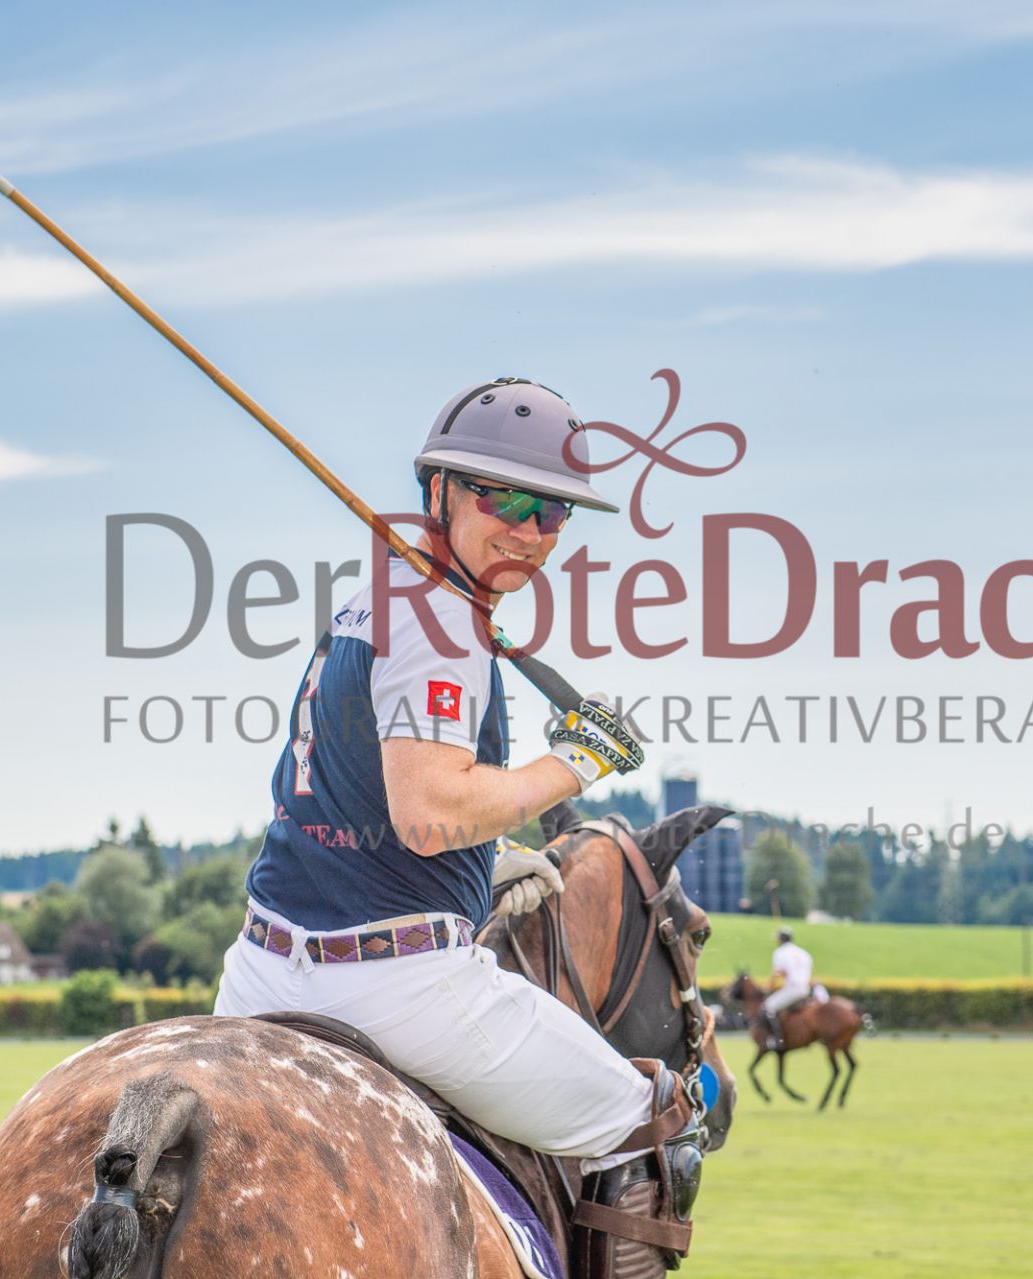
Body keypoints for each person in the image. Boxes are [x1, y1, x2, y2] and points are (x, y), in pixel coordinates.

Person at [212, 377, 703, 1271]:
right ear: (437, 491)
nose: (531, 529)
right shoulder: (442, 621)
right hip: (396, 986)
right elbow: (432, 812)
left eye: (553, 511)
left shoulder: (382, 599)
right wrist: (575, 763)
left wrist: (487, 858)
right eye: (504, 498)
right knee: (655, 1116)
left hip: (257, 979)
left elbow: (360, 796)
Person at [763, 926, 813, 1041]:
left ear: (781, 939)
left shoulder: (779, 952)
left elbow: (778, 973)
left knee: (768, 1007)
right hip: (806, 989)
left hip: (793, 989)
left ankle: (776, 1038)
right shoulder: (803, 953)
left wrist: (768, 988)